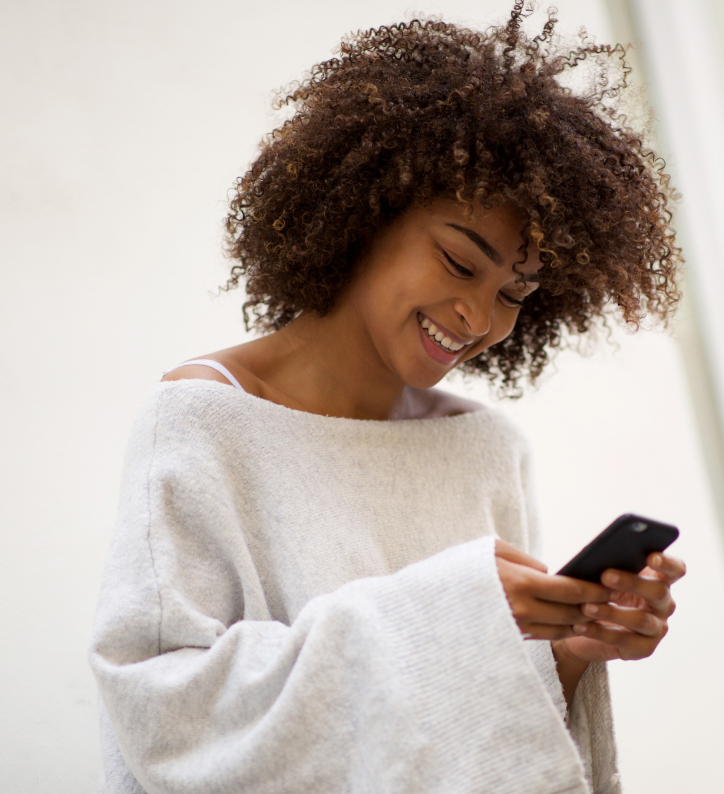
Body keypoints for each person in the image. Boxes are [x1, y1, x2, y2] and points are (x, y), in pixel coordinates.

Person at [90, 4, 686, 793]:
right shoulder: (203, 420)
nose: (479, 317)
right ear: (368, 211)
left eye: (515, 291)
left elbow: (493, 734)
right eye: (457, 261)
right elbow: (163, 714)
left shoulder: (486, 452)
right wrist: (456, 614)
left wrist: (571, 648)